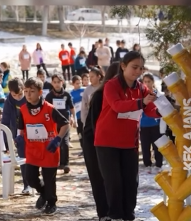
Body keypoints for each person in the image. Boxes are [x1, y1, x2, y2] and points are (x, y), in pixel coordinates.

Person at [94, 51, 161, 220]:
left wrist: (164, 109)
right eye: (134, 67)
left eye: (140, 68)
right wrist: (141, 102)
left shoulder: (141, 87)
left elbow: (150, 109)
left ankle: (129, 215)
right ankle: (115, 215)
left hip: (129, 143)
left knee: (131, 182)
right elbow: (118, 106)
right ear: (123, 66)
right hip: (107, 142)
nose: (137, 71)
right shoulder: (111, 85)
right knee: (114, 182)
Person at [16, 77, 69, 215]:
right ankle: (44, 193)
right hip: (32, 150)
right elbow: (21, 128)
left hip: (49, 149)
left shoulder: (49, 109)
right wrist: (19, 137)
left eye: (31, 91)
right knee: (30, 178)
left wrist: (58, 139)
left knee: (49, 179)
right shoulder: (22, 109)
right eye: (26, 91)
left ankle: (51, 202)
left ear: (40, 92)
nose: (28, 94)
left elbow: (65, 124)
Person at [83, 61, 119, 221]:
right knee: (99, 178)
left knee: (113, 179)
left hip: (110, 142)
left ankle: (114, 211)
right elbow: (95, 124)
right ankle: (103, 213)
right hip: (95, 143)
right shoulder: (99, 95)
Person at [1, 78, 32, 195]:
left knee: (36, 158)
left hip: (33, 132)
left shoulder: (29, 96)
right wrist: (7, 143)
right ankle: (27, 185)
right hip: (18, 134)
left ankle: (37, 182)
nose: (18, 98)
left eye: (20, 94)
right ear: (10, 93)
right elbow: (5, 122)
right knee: (23, 158)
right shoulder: (9, 101)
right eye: (15, 95)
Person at [45, 74, 76, 174]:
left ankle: (65, 164)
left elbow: (71, 107)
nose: (57, 84)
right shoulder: (49, 96)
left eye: (59, 82)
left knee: (65, 142)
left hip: (65, 122)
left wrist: (73, 117)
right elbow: (46, 109)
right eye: (55, 82)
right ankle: (56, 162)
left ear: (62, 82)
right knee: (55, 142)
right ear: (52, 83)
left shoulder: (66, 95)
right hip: (54, 123)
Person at [140, 73, 163, 174]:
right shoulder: (140, 94)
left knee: (157, 146)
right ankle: (147, 163)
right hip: (143, 124)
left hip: (155, 124)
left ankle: (158, 164)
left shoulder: (157, 94)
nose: (147, 84)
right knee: (145, 146)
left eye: (149, 81)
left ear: (153, 82)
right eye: (145, 82)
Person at [70, 75, 85, 156]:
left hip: (85, 116)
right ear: (73, 84)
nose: (79, 85)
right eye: (77, 83)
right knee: (80, 134)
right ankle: (83, 149)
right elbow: (71, 106)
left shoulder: (84, 90)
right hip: (78, 117)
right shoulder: (71, 94)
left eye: (80, 83)